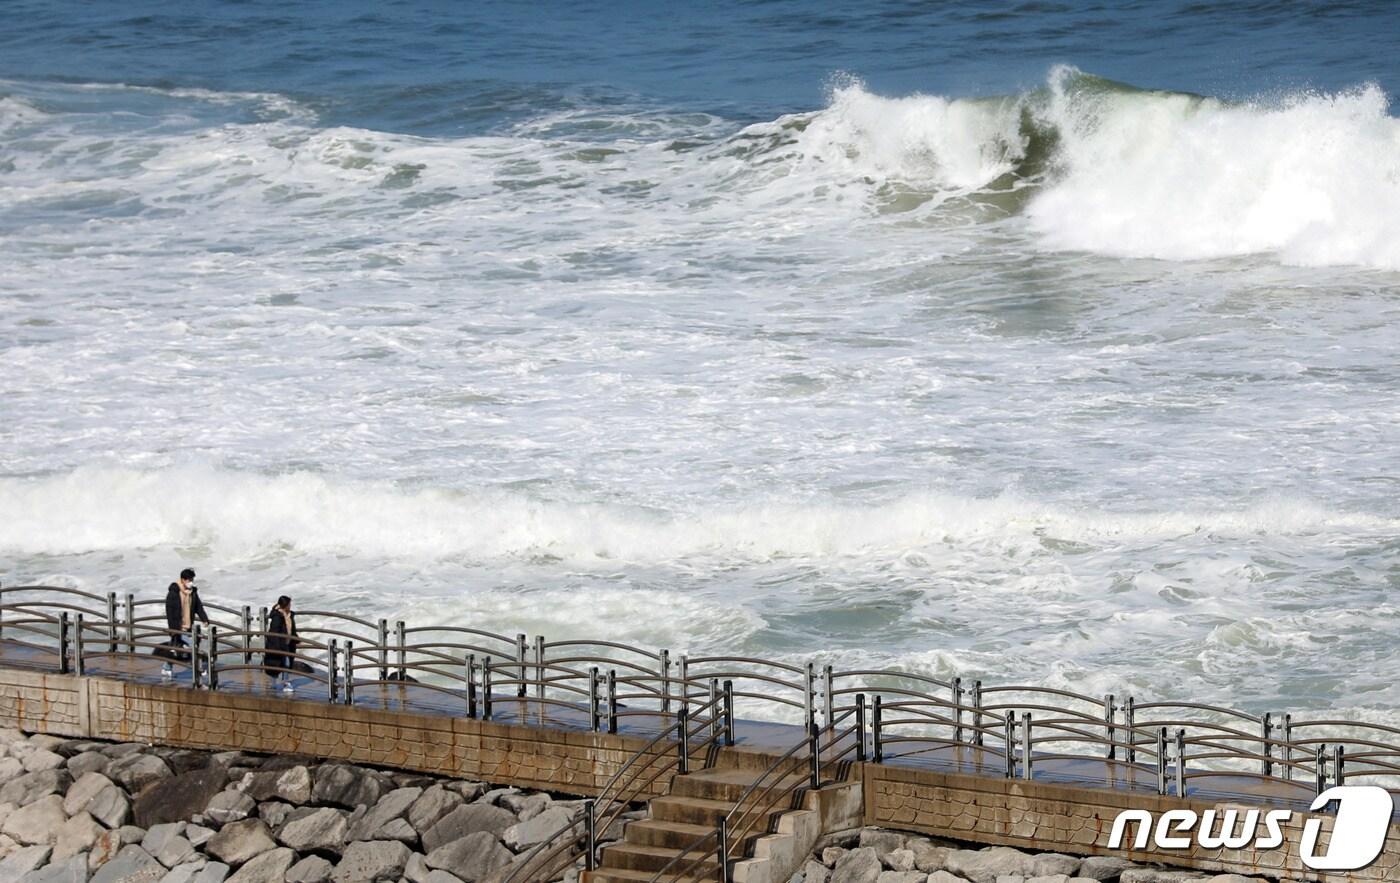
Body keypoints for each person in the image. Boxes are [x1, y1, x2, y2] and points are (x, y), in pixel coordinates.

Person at [160, 568, 209, 672]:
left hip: (188, 626)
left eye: (192, 580)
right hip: (178, 627)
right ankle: (199, 670)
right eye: (189, 580)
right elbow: (169, 612)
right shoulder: (174, 592)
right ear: (182, 580)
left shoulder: (192, 592)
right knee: (192, 647)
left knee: (175, 648)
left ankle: (167, 666)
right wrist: (173, 630)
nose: (191, 582)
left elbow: (198, 606)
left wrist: (204, 619)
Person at [264, 594, 311, 675]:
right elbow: (274, 633)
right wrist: (278, 648)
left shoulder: (290, 615)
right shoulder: (277, 617)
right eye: (289, 604)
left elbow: (291, 629)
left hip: (288, 644)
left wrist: (296, 639)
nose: (290, 606)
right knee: (282, 665)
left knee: (287, 665)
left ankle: (284, 683)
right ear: (284, 605)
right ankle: (280, 683)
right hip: (280, 645)